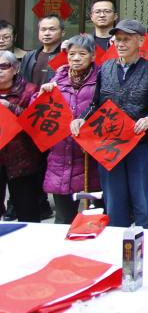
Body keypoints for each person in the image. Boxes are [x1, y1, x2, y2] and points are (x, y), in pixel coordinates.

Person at [71, 19, 148, 228]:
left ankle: (145, 240)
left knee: (143, 199)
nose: (121, 44)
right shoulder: (104, 69)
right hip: (110, 143)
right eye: (118, 40)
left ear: (140, 41)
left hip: (141, 143)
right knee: (114, 200)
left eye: (126, 39)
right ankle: (116, 241)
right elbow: (96, 104)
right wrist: (82, 118)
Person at [36, 35, 100, 223]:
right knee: (63, 220)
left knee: (93, 219)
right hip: (61, 157)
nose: (76, 58)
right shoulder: (57, 79)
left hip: (90, 157)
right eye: (72, 54)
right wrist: (41, 94)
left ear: (93, 56)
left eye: (82, 54)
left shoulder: (102, 79)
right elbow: (37, 112)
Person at [0, 50, 42, 221]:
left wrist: (10, 107)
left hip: (22, 159)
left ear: (16, 68)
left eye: (4, 66)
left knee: (27, 211)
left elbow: (36, 122)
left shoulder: (30, 90)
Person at [19, 14, 64, 88]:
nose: (47, 33)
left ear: (62, 32)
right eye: (43, 29)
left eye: (52, 29)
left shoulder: (65, 56)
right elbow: (22, 82)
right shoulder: (29, 56)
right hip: (31, 95)